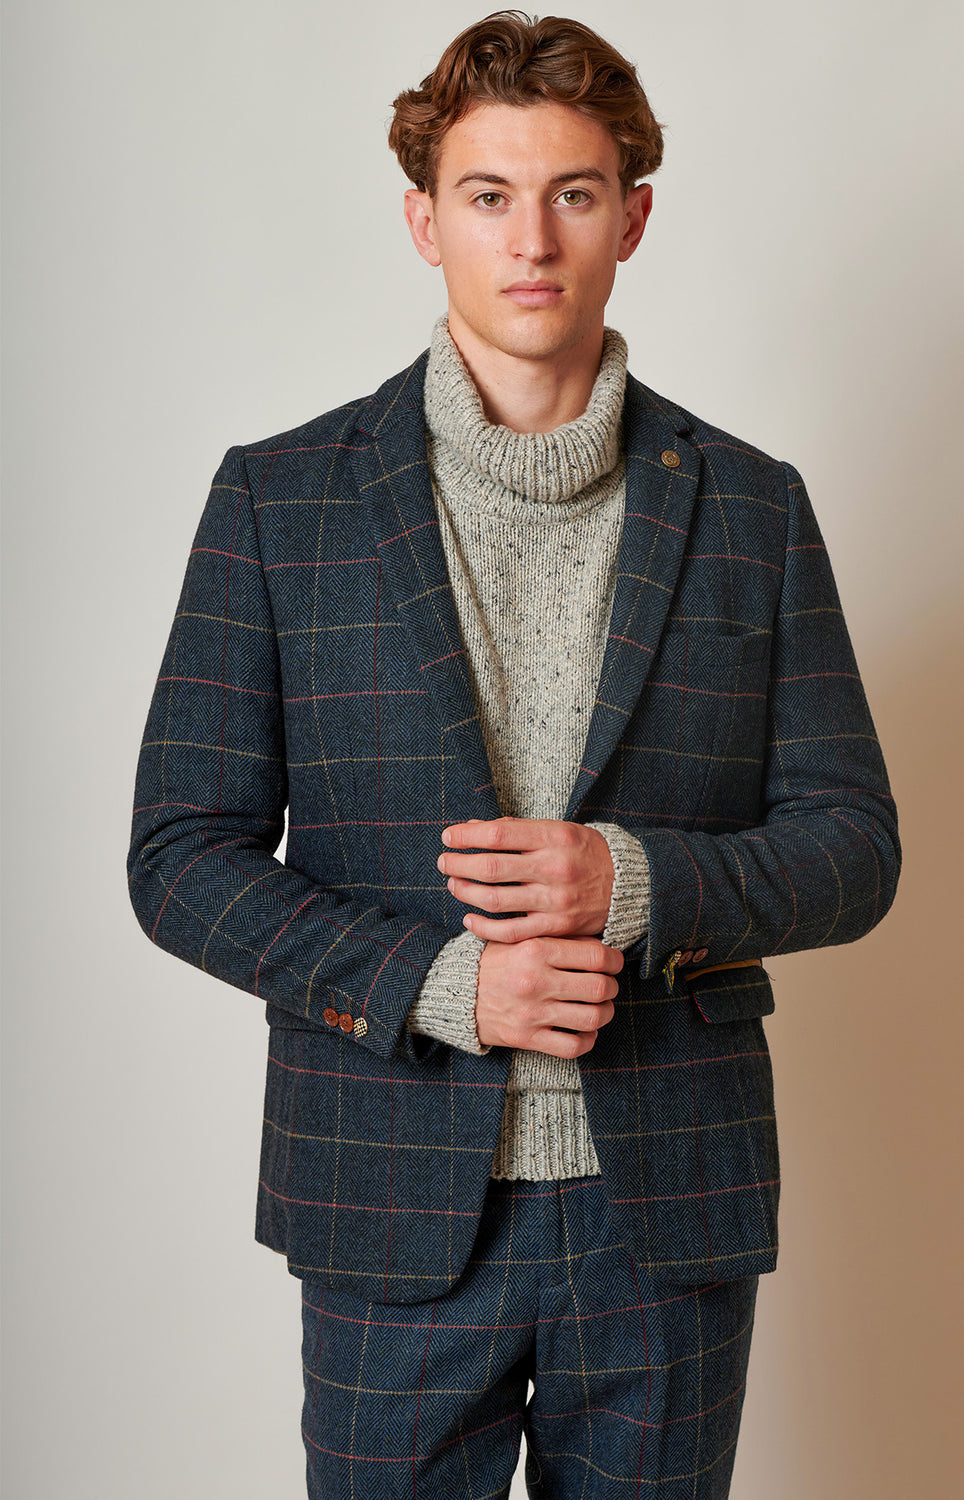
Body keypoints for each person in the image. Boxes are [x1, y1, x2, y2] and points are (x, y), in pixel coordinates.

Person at [127, 11, 900, 1497]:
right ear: (424, 222)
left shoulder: (751, 506)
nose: (530, 238)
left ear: (635, 217)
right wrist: (440, 984)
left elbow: (852, 845)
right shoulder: (282, 503)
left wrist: (633, 879)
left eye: (575, 193)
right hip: (389, 1201)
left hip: (667, 1205)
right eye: (488, 195)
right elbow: (179, 859)